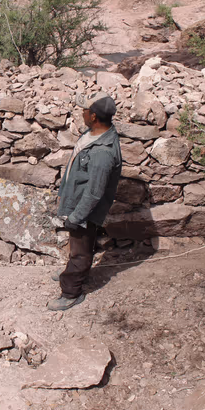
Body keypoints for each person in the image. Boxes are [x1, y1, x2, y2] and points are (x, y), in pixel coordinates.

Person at [48, 92, 122, 311]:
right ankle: (74, 272)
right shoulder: (93, 134)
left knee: (80, 249)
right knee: (80, 244)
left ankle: (71, 291)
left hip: (85, 210)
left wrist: (77, 217)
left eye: (85, 110)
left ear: (94, 117)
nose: (81, 113)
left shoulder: (102, 153)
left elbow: (94, 192)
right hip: (78, 204)